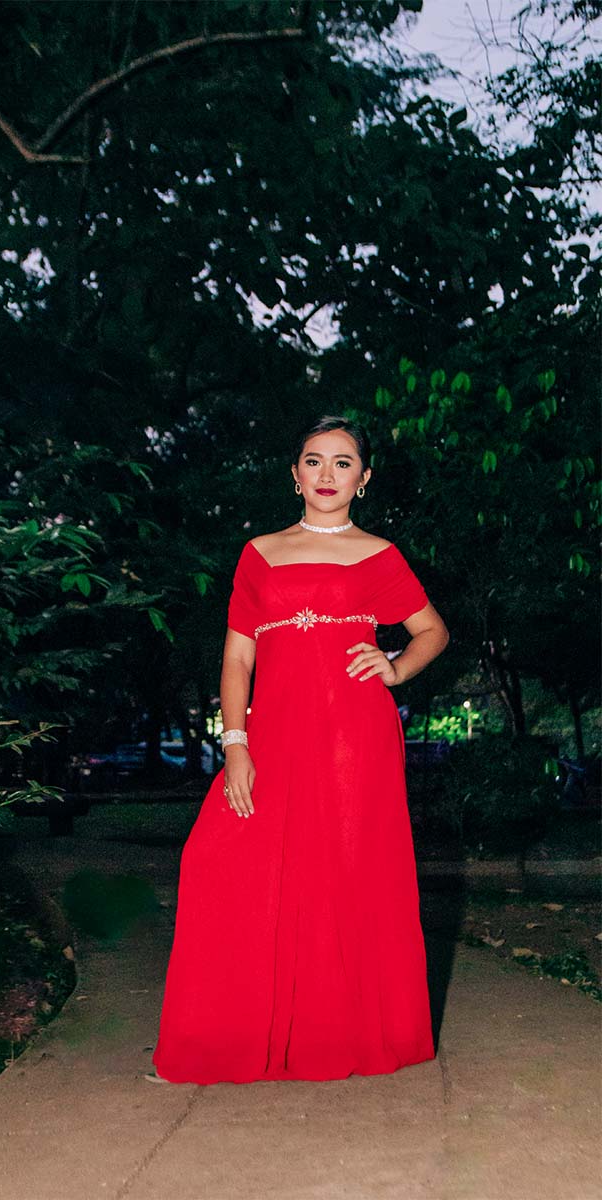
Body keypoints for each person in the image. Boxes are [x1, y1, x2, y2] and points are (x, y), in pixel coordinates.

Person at [147, 414, 450, 1085]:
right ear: (295, 474)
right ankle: (223, 1036)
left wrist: (396, 667)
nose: (327, 474)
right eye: (315, 461)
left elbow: (432, 630)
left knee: (345, 872)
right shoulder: (260, 553)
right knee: (215, 859)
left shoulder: (379, 554)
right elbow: (237, 658)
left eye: (343, 463)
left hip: (355, 736)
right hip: (275, 733)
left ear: (364, 479)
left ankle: (340, 1035)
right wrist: (234, 743)